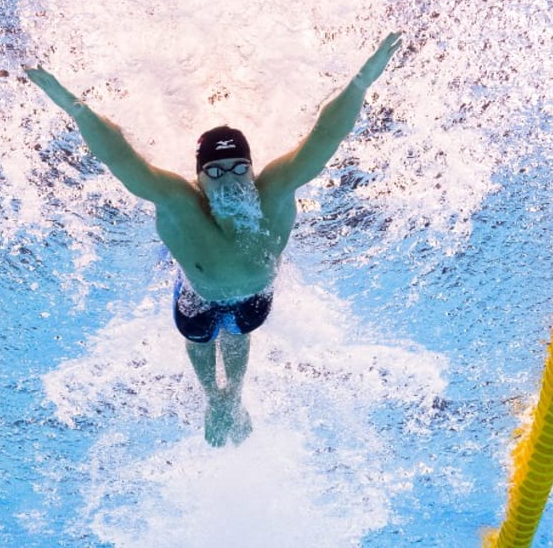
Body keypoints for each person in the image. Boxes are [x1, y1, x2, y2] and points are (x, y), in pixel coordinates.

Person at [25, 32, 402, 447]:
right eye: (216, 172)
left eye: (237, 168)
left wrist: (360, 84)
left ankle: (234, 398)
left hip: (253, 300)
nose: (229, 181)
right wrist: (77, 109)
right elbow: (118, 156)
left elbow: (325, 137)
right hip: (197, 298)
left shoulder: (275, 190)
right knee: (200, 339)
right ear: (199, 179)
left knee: (239, 334)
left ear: (251, 169)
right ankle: (212, 398)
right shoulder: (177, 201)